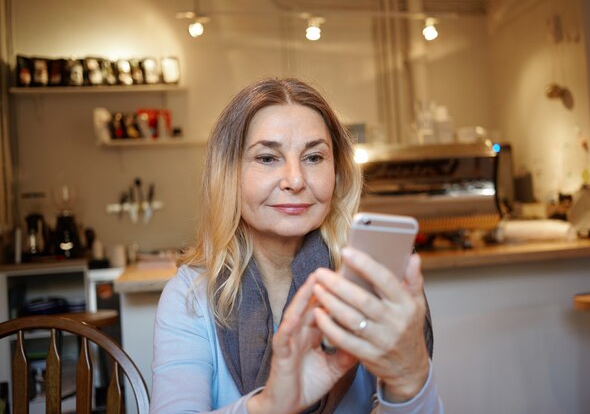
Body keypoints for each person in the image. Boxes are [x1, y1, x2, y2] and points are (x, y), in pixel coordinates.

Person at [150, 77, 443, 414]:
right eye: (267, 158)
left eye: (314, 158)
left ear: (338, 172)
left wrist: (410, 380)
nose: (295, 180)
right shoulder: (190, 297)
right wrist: (271, 405)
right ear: (227, 173)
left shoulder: (366, 287)